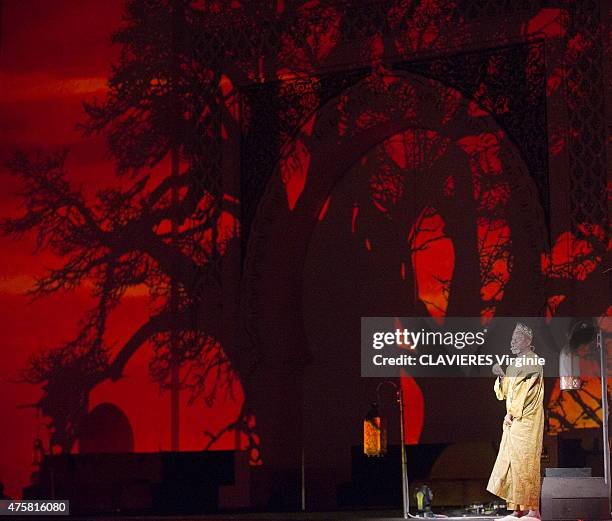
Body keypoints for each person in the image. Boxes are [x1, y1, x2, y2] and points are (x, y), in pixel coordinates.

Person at [487, 323, 544, 520]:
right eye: (512, 339)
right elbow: (504, 394)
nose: (513, 342)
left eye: (517, 338)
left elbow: (525, 393)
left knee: (526, 462)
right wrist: (502, 375)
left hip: (526, 420)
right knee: (512, 463)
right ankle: (516, 509)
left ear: (528, 341)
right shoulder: (514, 364)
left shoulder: (533, 362)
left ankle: (533, 510)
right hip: (513, 422)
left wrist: (512, 413)